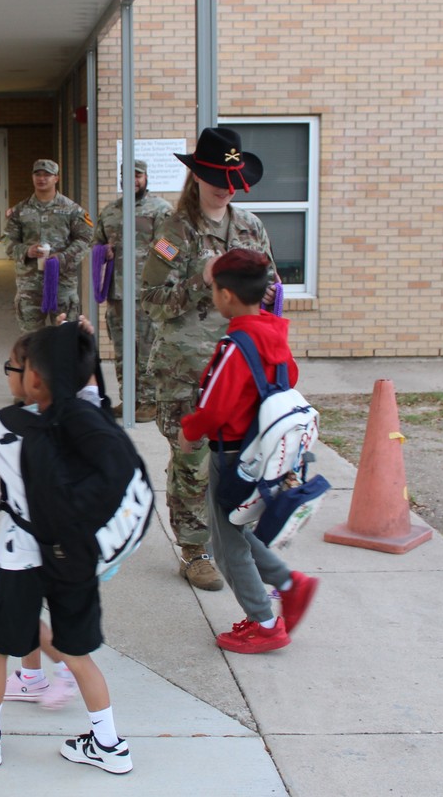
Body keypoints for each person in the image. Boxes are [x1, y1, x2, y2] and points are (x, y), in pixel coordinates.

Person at [0, 326, 132, 775]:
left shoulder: (8, 427)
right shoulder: (90, 414)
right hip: (75, 556)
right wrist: (84, 345)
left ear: (34, 378)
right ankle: (109, 744)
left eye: (11, 369)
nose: (9, 377)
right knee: (77, 653)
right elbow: (91, 383)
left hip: (21, 558)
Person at [141, 126, 276, 592]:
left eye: (231, 175)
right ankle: (195, 549)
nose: (223, 184)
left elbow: (272, 288)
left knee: (241, 460)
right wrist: (199, 279)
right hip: (186, 370)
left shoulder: (250, 228)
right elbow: (152, 302)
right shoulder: (173, 232)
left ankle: (239, 541)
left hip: (240, 368)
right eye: (215, 174)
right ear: (197, 175)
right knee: (192, 459)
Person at [178, 249, 319, 653]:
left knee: (224, 543)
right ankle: (290, 583)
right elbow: (289, 376)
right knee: (235, 528)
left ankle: (265, 622)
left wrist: (190, 432)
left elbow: (215, 404)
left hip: (233, 454)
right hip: (262, 450)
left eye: (214, 291)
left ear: (226, 296)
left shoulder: (234, 344)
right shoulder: (272, 333)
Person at [92, 159, 172, 422]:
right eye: (128, 176)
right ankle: (130, 399)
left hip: (148, 292)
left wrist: (155, 258)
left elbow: (173, 248)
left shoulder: (160, 209)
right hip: (118, 293)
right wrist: (104, 252)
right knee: (122, 349)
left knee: (148, 348)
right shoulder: (111, 211)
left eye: (138, 176)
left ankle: (149, 401)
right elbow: (97, 244)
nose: (133, 180)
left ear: (146, 178)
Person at [3, 159, 93, 331]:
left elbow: (86, 238)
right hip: (30, 286)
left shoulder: (71, 209)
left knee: (66, 337)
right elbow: (7, 240)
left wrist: (63, 258)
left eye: (47, 175)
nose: (42, 178)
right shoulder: (20, 210)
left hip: (62, 285)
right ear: (32, 177)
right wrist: (26, 251)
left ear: (56, 178)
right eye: (38, 174)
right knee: (31, 342)